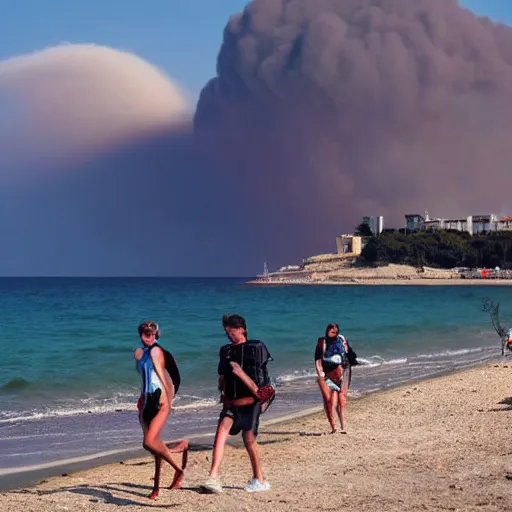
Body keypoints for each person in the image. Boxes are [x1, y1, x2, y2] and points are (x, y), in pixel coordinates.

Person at [202, 314, 271, 494]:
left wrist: (240, 373)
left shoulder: (256, 348)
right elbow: (222, 379)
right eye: (226, 332)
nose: (229, 336)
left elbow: (259, 390)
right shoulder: (225, 351)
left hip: (250, 403)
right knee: (220, 433)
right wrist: (222, 388)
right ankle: (214, 477)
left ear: (241, 329)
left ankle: (259, 479)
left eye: (231, 332)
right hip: (231, 403)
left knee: (249, 441)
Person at [134, 321, 189, 500]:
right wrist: (141, 397)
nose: (147, 337)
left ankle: (178, 470)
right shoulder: (140, 354)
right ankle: (156, 487)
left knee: (149, 442)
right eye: (144, 333)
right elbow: (144, 378)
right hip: (146, 401)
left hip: (160, 402)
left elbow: (161, 375)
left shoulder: (157, 351)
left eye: (150, 334)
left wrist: (168, 398)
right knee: (153, 447)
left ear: (156, 335)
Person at [314, 323, 352, 434]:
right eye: (331, 331)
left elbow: (346, 355)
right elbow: (317, 359)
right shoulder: (322, 342)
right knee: (328, 400)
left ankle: (342, 425)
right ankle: (333, 427)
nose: (333, 334)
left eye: (335, 332)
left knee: (341, 397)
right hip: (326, 374)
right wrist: (320, 373)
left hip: (342, 372)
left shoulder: (341, 340)